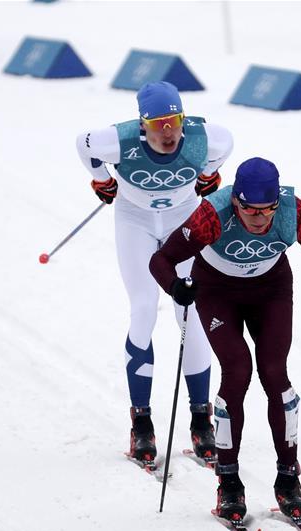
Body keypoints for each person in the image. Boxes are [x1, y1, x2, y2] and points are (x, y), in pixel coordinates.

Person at [149, 157, 301, 521]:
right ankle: (228, 482)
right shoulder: (212, 215)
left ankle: (288, 479)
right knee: (238, 370)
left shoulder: (293, 212)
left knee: (275, 374)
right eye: (248, 210)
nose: (259, 219)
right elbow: (161, 259)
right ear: (236, 202)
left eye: (266, 210)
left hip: (270, 289)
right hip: (217, 290)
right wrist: (176, 286)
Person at [76, 81, 234, 468]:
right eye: (158, 123)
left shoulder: (201, 136)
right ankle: (142, 423)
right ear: (142, 124)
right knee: (145, 308)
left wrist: (209, 174)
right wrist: (102, 180)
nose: (168, 131)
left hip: (183, 221)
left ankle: (201, 420)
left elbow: (226, 142)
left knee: (192, 312)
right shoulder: (120, 139)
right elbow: (84, 143)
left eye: (174, 121)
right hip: (136, 224)